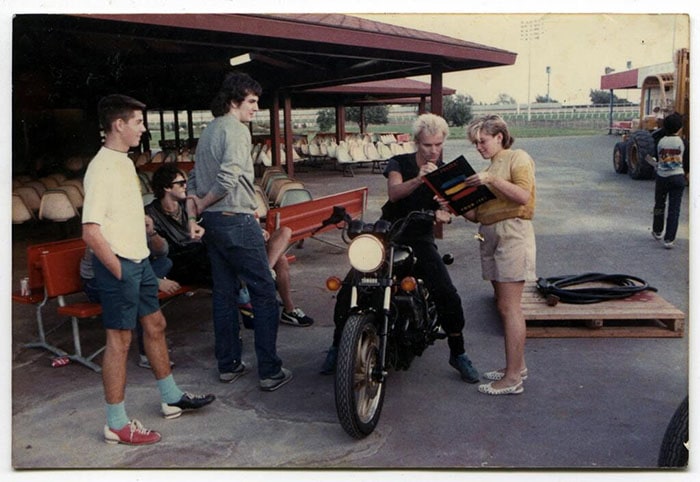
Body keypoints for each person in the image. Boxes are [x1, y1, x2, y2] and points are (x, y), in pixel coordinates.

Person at [82, 94, 215, 446]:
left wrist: (136, 225)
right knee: (120, 340)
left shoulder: (124, 163)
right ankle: (116, 423)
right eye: (138, 122)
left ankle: (171, 397)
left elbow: (116, 216)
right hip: (120, 266)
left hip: (139, 260)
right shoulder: (101, 167)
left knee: (155, 325)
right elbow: (91, 232)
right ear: (119, 124)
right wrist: (119, 271)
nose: (144, 128)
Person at [320, 113, 480, 383]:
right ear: (417, 142)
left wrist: (446, 212)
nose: (433, 151)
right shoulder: (400, 163)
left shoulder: (448, 171)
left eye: (438, 145)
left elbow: (456, 207)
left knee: (446, 292)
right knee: (351, 285)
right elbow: (394, 192)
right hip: (388, 231)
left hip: (419, 236)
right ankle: (338, 345)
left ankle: (458, 352)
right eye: (428, 145)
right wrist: (419, 179)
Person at [186, 72, 292, 390]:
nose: (256, 108)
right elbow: (229, 178)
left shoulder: (209, 131)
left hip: (214, 226)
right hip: (235, 217)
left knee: (224, 294)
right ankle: (270, 370)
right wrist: (204, 203)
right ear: (234, 101)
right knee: (263, 292)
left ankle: (229, 365)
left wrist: (196, 212)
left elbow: (192, 178)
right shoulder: (236, 129)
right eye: (251, 101)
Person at [146, 163, 314, 328]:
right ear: (166, 187)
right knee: (271, 259)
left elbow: (214, 226)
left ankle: (268, 282)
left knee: (283, 234)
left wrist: (254, 232)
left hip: (208, 252)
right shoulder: (151, 214)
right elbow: (158, 251)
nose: (186, 187)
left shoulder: (189, 206)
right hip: (185, 261)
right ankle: (265, 291)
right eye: (181, 183)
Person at [463, 114, 536, 396]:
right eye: (475, 143)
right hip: (489, 233)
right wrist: (452, 203)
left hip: (512, 233)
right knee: (501, 303)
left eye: (482, 141)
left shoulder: (517, 157)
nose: (478, 147)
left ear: (499, 137)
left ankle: (513, 378)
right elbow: (477, 214)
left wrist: (491, 179)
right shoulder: (490, 168)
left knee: (509, 307)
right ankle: (517, 367)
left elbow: (523, 196)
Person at [80, 216, 181, 369]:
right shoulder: (108, 229)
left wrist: (151, 232)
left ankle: (150, 348)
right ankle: (146, 354)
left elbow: (162, 252)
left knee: (165, 263)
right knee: (140, 296)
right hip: (97, 282)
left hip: (130, 273)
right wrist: (157, 282)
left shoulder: (134, 220)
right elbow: (116, 268)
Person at [649, 113, 687, 249]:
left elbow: (655, 158)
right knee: (674, 209)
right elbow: (686, 161)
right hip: (677, 177)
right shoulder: (683, 142)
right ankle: (669, 239)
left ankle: (657, 231)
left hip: (662, 177)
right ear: (680, 128)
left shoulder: (661, 141)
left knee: (659, 205)